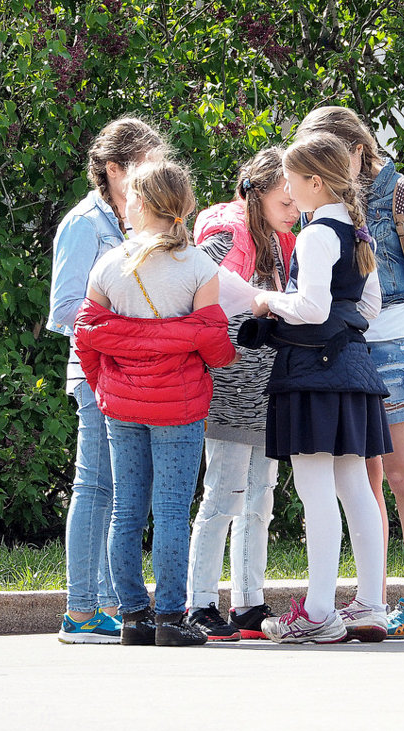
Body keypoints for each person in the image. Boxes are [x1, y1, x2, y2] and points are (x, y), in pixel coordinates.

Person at [296, 106, 404, 639]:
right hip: (350, 349)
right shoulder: (326, 205)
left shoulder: (403, 195)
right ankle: (372, 600)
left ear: (357, 149)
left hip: (401, 347)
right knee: (365, 477)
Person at [75, 160, 237, 646]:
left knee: (127, 509)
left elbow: (87, 339)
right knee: (170, 510)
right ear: (184, 206)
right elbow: (216, 348)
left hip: (122, 406)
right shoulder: (200, 267)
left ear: (140, 203)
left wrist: (109, 381)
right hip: (180, 406)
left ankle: (132, 617)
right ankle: (169, 618)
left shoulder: (109, 265)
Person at [252, 133, 392, 644]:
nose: (286, 187)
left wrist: (268, 302)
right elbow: (369, 309)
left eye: (291, 178)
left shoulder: (315, 236)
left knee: (316, 493)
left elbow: (310, 308)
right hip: (353, 368)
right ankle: (371, 605)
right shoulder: (358, 233)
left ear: (314, 182)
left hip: (312, 371)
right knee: (355, 487)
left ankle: (317, 612)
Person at [48, 117, 168, 644]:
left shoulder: (139, 222)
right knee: (95, 485)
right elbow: (65, 310)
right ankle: (80, 611)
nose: (153, 174)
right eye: (142, 164)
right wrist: (131, 327)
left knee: (117, 490)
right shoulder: (84, 223)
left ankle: (103, 603)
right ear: (113, 169)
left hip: (134, 375)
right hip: (95, 373)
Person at [185, 148, 298, 641]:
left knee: (261, 498)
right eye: (284, 201)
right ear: (256, 194)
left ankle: (247, 602)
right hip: (231, 384)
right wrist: (264, 300)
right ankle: (200, 602)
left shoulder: (281, 240)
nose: (294, 210)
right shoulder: (226, 231)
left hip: (267, 384)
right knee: (222, 496)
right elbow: (201, 281)